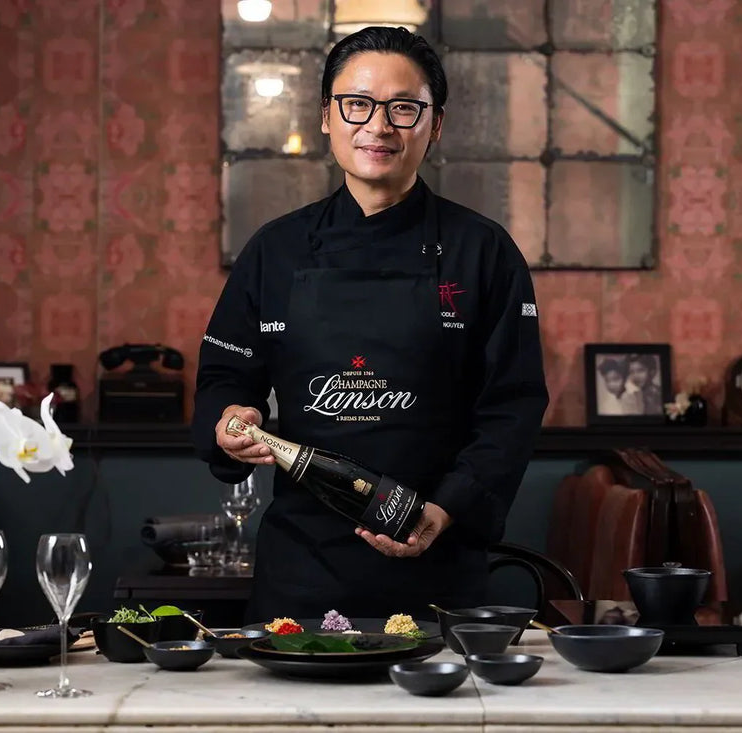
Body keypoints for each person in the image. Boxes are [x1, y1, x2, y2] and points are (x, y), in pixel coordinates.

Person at [192, 26, 548, 622]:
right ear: (327, 116)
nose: (378, 126)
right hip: (302, 573)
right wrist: (231, 419)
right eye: (357, 104)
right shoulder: (274, 251)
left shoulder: (483, 253)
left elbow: (512, 407)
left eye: (403, 108)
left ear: (434, 125)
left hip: (437, 559)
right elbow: (225, 377)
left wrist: (445, 508)